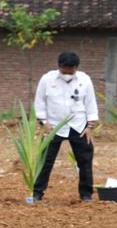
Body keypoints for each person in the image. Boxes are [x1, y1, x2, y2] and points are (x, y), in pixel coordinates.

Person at [33, 52, 99, 202]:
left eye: (71, 71)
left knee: (85, 160)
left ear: (76, 68)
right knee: (45, 161)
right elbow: (40, 102)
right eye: (64, 71)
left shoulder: (85, 80)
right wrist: (44, 123)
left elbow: (90, 103)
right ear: (59, 66)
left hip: (79, 126)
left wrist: (90, 126)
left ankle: (86, 194)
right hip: (53, 126)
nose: (67, 74)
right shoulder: (47, 79)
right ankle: (37, 193)